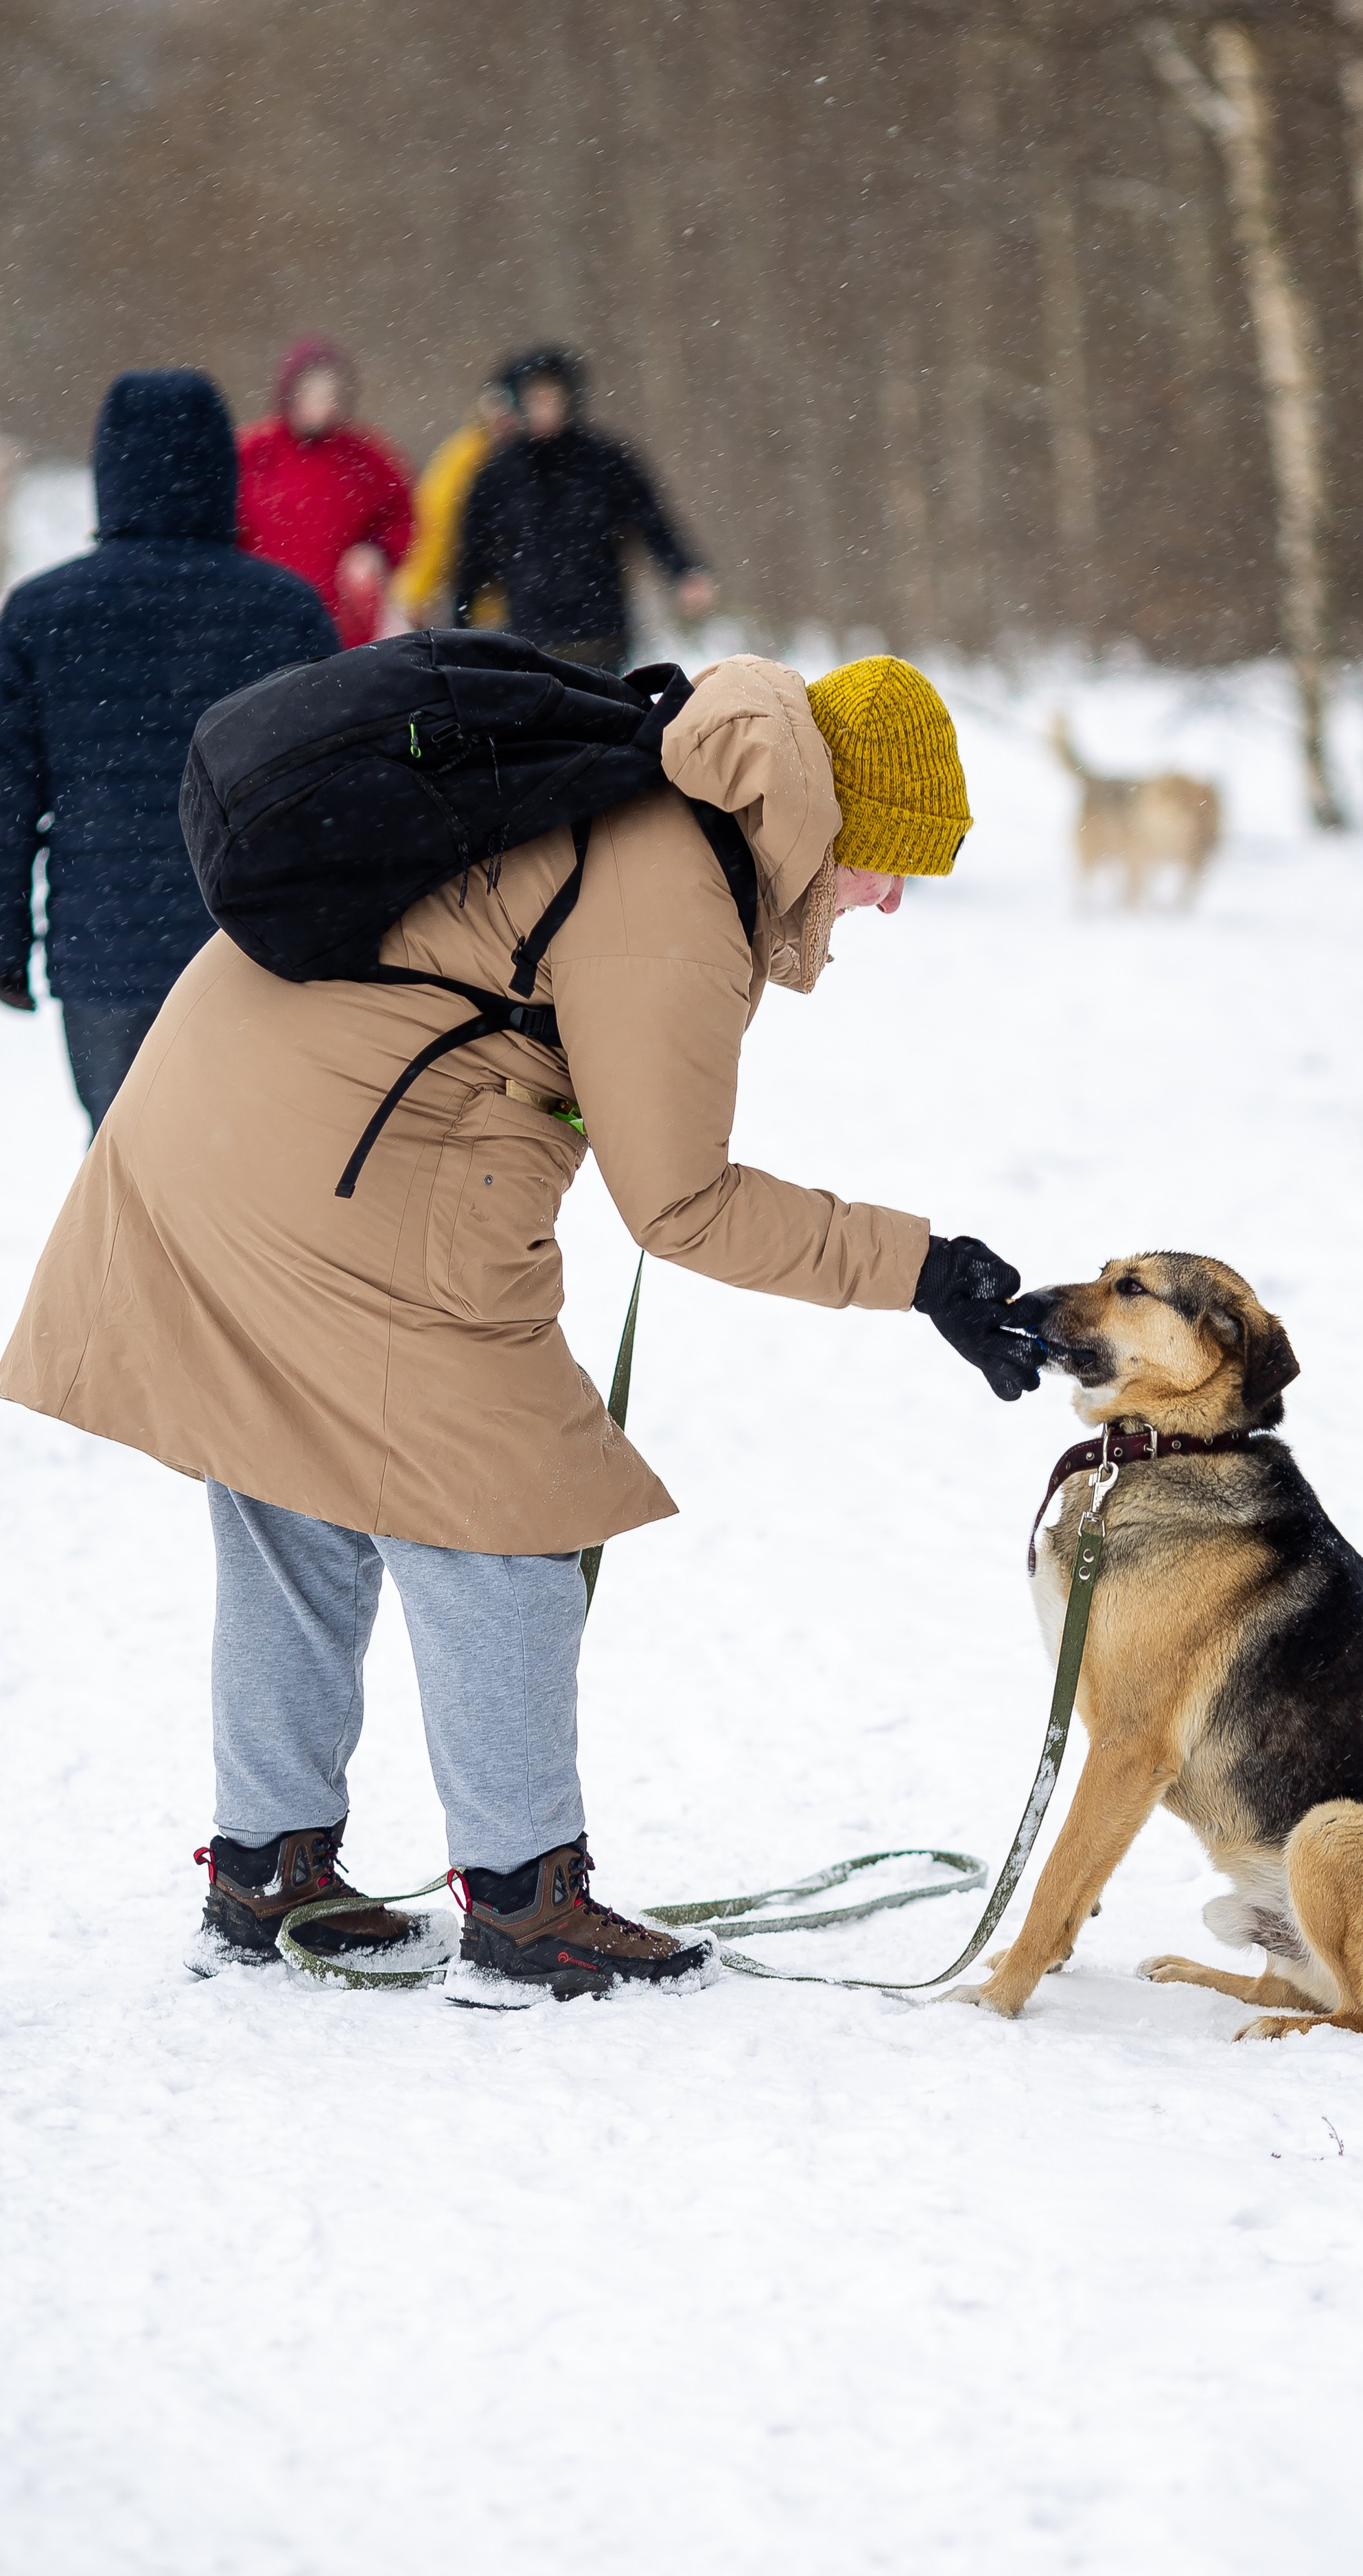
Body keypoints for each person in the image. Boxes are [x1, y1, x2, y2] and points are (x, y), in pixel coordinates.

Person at [1, 652, 1034, 2002]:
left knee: (293, 1500)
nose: (886, 902)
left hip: (218, 1116)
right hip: (339, 1165)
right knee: (500, 1517)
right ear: (835, 821)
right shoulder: (674, 885)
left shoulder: (651, 780)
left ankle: (269, 1872)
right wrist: (924, 1270)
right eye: (889, 864)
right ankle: (526, 1903)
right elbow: (684, 1205)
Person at [0, 371, 338, 1132]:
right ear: (222, 466)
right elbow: (332, 793)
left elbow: (9, 795)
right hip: (249, 949)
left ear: (108, 468)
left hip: (103, 951)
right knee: (243, 1170)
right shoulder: (284, 609)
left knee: (123, 1165)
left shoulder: (41, 615)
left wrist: (4, 941)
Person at [454, 344, 717, 667]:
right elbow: (472, 558)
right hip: (531, 637)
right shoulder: (495, 475)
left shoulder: (607, 461)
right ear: (518, 402)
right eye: (535, 397)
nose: (544, 407)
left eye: (552, 396)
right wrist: (459, 624)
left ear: (569, 397)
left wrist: (685, 572)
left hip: (602, 631)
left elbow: (653, 522)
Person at [236, 336, 413, 648]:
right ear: (289, 393)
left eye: (330, 393)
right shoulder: (252, 451)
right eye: (311, 392)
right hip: (260, 613)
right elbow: (219, 514)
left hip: (341, 623)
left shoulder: (366, 458)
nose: (321, 403)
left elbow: (401, 514)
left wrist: (377, 551)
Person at [390, 360, 523, 629]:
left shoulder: (541, 460)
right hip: (486, 607)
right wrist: (418, 592)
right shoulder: (466, 459)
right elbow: (437, 528)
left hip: (529, 607)